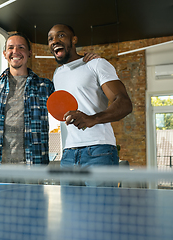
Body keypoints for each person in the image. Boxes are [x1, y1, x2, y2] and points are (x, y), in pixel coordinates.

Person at [0, 32, 99, 170]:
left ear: (29, 53)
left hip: (34, 169)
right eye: (11, 48)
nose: (15, 51)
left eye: (21, 47)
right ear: (5, 54)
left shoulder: (45, 86)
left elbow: (70, 103)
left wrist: (85, 64)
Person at [47, 24, 133, 186]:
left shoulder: (96, 64)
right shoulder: (57, 74)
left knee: (100, 211)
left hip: (99, 151)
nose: (54, 41)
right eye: (50, 38)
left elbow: (124, 103)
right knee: (69, 211)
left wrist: (92, 119)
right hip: (68, 154)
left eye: (61, 35)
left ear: (74, 40)